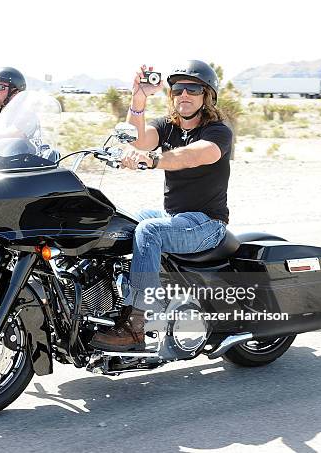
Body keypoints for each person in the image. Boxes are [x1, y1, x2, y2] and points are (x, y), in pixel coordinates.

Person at [90, 60, 233, 352]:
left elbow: (191, 156)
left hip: (206, 224)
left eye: (193, 88)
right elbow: (137, 139)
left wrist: (153, 160)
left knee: (149, 232)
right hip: (175, 216)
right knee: (116, 222)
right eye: (178, 88)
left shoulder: (218, 132)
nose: (184, 94)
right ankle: (102, 301)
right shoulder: (167, 126)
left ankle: (136, 325)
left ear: (207, 95)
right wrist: (138, 98)